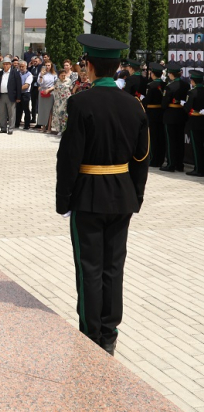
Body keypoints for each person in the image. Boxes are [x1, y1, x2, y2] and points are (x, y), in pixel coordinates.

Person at [56, 33, 149, 357]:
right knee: (114, 266)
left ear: (90, 67)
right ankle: (109, 332)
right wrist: (135, 196)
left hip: (89, 196)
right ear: (118, 67)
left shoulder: (81, 103)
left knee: (89, 268)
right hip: (121, 196)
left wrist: (63, 200)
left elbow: (69, 157)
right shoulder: (134, 105)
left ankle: (90, 333)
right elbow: (141, 158)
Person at [160, 63, 190, 172]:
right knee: (179, 141)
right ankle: (179, 164)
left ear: (171, 74)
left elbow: (164, 104)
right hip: (181, 115)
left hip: (170, 116)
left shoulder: (169, 86)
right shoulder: (186, 85)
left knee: (171, 141)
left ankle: (171, 164)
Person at [143, 63, 166, 168]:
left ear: (152, 74)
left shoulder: (151, 85)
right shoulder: (165, 84)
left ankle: (153, 159)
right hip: (161, 113)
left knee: (153, 138)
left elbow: (147, 101)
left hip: (152, 113)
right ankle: (160, 158)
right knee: (160, 137)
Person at [183, 70, 204, 176]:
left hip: (195, 121)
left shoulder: (192, 92)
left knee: (196, 146)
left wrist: (184, 104)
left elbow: (188, 108)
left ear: (193, 81)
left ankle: (198, 169)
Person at [0, 56, 21, 134]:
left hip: (11, 96)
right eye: (4, 64)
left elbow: (18, 85)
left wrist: (18, 97)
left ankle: (11, 128)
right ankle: (3, 128)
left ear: (10, 65)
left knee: (11, 113)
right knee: (2, 113)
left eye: (7, 64)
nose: (5, 66)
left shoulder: (15, 73)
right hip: (1, 96)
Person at [50, 70, 73, 135]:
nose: (63, 76)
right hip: (58, 100)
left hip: (66, 100)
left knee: (65, 115)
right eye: (62, 75)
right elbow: (55, 89)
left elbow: (71, 89)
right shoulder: (56, 81)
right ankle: (59, 130)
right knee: (58, 115)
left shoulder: (69, 81)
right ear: (59, 75)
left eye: (64, 75)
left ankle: (65, 129)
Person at [36, 60, 57, 130]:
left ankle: (49, 127)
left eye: (49, 65)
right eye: (46, 65)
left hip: (50, 92)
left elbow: (56, 84)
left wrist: (49, 89)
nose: (47, 67)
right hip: (42, 91)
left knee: (50, 110)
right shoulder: (41, 73)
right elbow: (39, 82)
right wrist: (41, 75)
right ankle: (43, 126)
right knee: (42, 109)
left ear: (51, 66)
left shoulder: (54, 74)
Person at [15, 60, 33, 130]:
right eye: (20, 66)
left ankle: (27, 125)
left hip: (25, 94)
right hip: (18, 94)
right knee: (18, 109)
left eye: (23, 66)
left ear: (26, 66)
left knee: (26, 109)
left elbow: (26, 86)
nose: (21, 68)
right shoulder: (17, 73)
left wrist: (16, 90)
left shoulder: (29, 74)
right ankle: (17, 123)